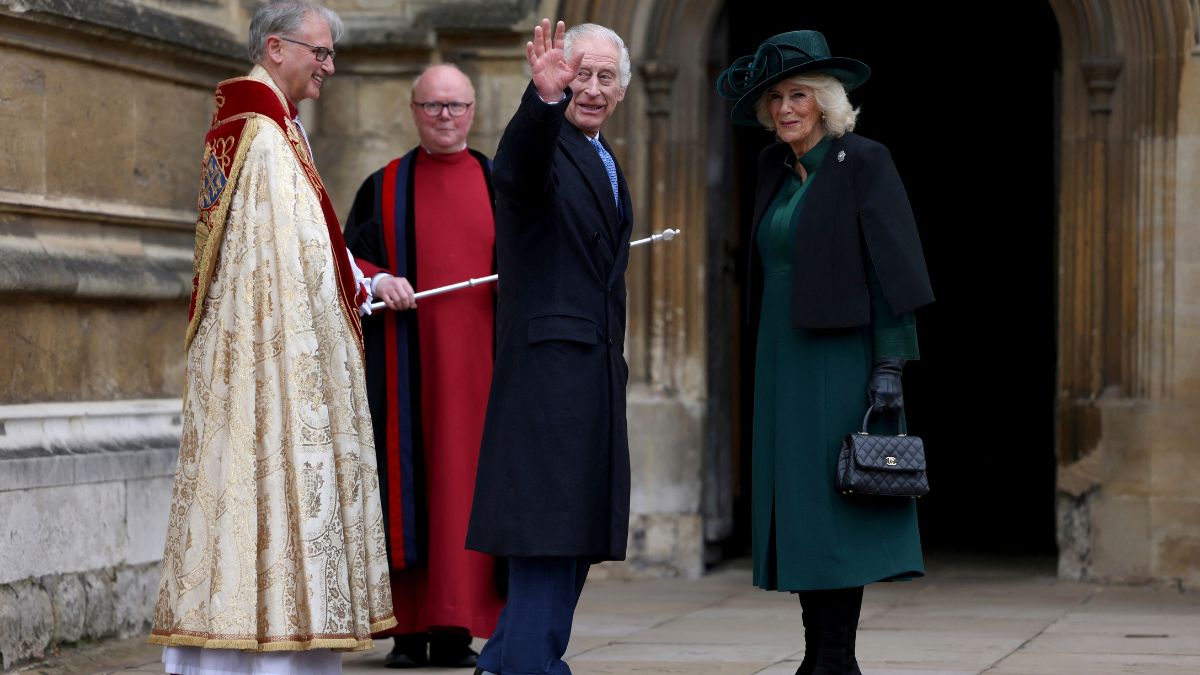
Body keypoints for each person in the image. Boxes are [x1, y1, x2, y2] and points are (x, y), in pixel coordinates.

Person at [149, 1, 397, 672]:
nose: (329, 67)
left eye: (332, 55)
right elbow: (271, 265)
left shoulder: (280, 127)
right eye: (320, 53)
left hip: (280, 356)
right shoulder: (256, 131)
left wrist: (362, 284)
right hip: (267, 363)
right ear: (278, 47)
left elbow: (313, 239)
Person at [716, 30, 934, 674]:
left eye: (800, 95)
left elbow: (892, 268)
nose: (786, 108)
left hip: (843, 360)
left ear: (828, 101)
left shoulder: (863, 160)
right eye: (777, 97)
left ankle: (838, 656)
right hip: (782, 360)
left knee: (840, 508)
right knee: (802, 509)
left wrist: (891, 364)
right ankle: (818, 654)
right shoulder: (772, 171)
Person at [464, 18, 634, 675]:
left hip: (590, 374)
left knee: (570, 537)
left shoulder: (605, 157)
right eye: (580, 74)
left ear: (621, 89)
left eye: (603, 78)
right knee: (545, 532)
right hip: (548, 374)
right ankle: (532, 666)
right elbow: (517, 172)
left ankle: (504, 661)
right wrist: (541, 101)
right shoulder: (549, 142)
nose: (590, 89)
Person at [342, 63, 503, 669]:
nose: (445, 117)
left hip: (483, 375)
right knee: (405, 486)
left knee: (468, 490)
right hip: (404, 373)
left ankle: (458, 628)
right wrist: (380, 279)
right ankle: (407, 631)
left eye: (456, 106)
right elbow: (348, 260)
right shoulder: (382, 187)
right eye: (433, 106)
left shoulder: (501, 182)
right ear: (413, 111)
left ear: (473, 111)